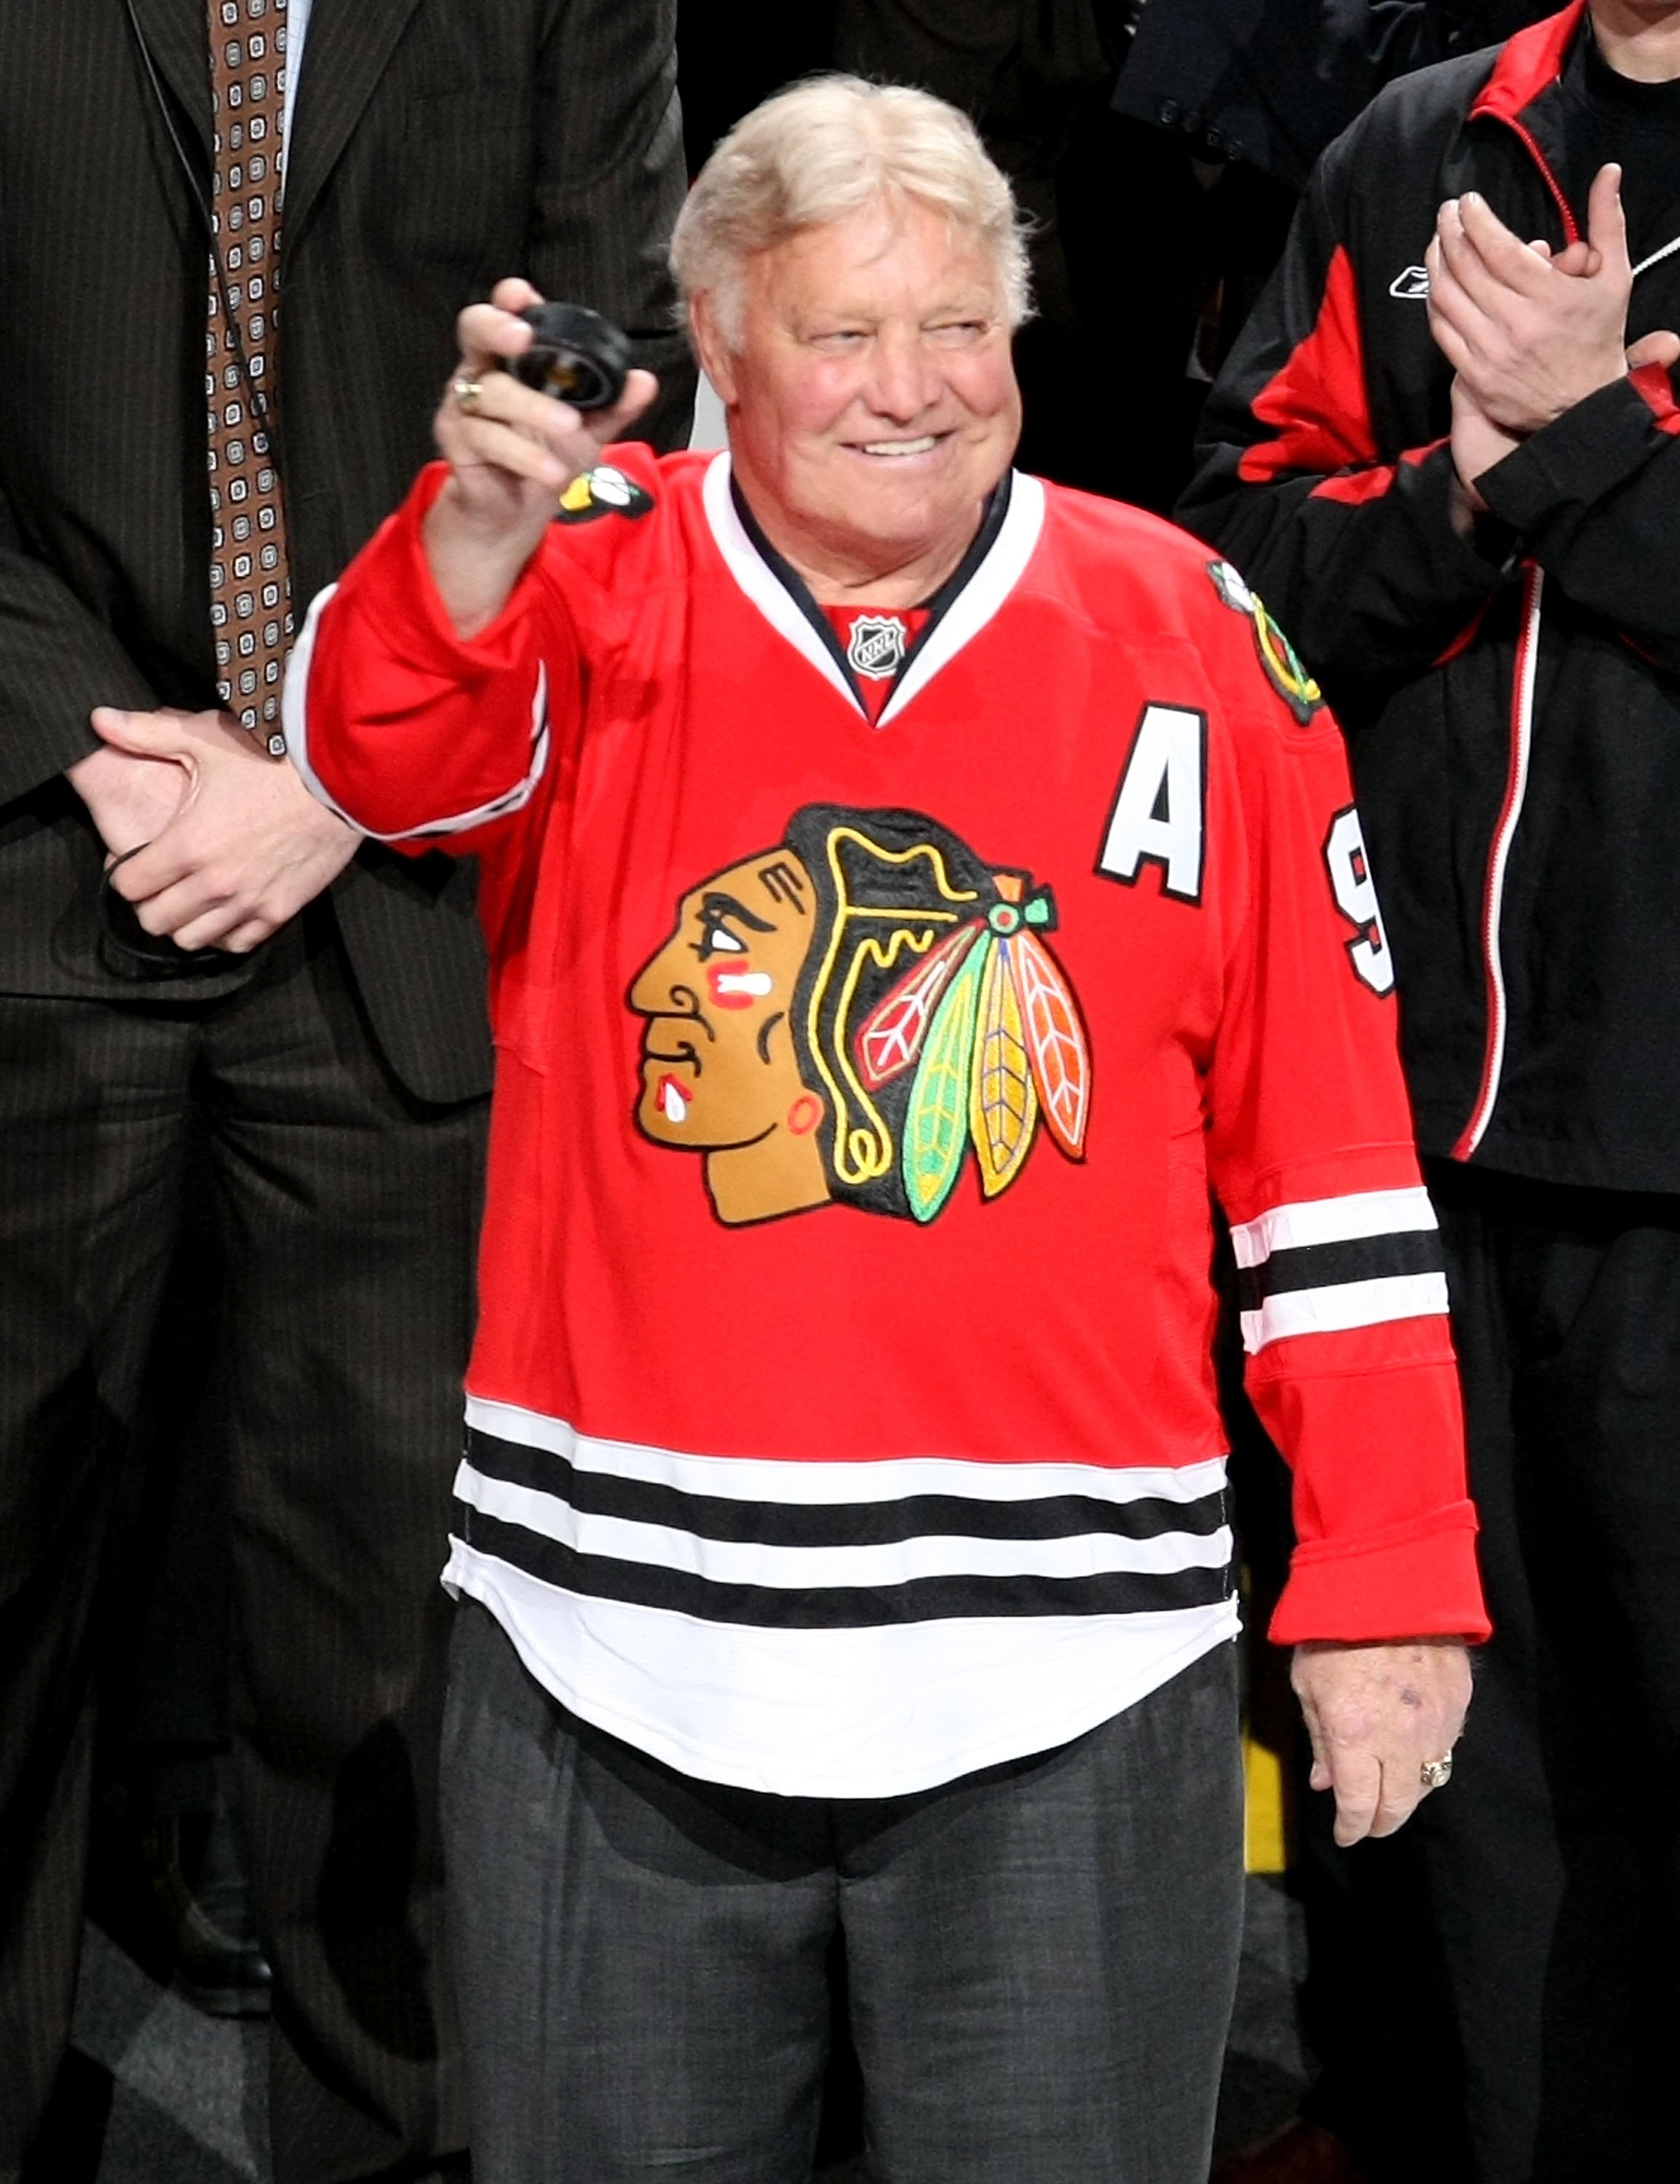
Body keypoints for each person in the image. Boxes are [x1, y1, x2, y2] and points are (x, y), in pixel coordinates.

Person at [290, 76, 1485, 2184]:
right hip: (608, 1655)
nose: (911, 391)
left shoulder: (1195, 637)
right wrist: (465, 534)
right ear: (716, 348)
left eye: (960, 328)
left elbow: (1328, 1164)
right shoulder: (580, 579)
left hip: (1070, 1671)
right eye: (842, 334)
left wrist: (1386, 1576)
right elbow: (387, 760)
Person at [0, 3, 691, 2180]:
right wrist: (108, 750)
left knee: (392, 1656)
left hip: (407, 887)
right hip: (44, 845)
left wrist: (333, 765)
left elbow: (617, 409)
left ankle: (384, 2157)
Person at [1181, 1, 1680, 2174]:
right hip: (1400, 1146)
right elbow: (1234, 577)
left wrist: (1589, 441)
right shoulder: (1412, 139)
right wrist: (1474, 486)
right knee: (1428, 1786)